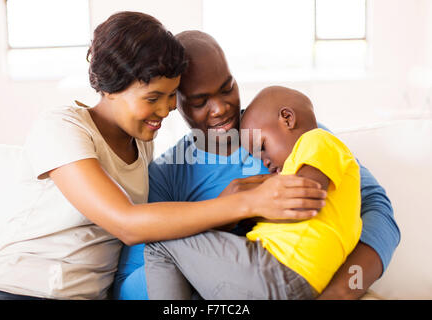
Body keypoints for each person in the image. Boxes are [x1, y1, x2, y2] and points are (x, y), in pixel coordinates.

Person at [0, 13, 325, 300]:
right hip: (17, 289)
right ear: (109, 89)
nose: (166, 109)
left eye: (172, 95)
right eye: (153, 97)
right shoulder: (61, 128)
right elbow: (126, 223)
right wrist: (243, 204)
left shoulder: (145, 144)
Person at [114, 30, 400, 300]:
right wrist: (222, 216)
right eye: (200, 101)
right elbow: (128, 283)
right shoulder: (168, 175)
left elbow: (377, 210)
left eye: (227, 88)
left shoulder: (292, 135)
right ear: (175, 103)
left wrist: (342, 291)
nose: (221, 108)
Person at [144, 85, 363, 299]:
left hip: (275, 270)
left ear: (287, 118)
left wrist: (241, 207)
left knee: (160, 241)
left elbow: (300, 203)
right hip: (290, 281)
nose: (265, 162)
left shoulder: (317, 140)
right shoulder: (314, 171)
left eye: (262, 148)